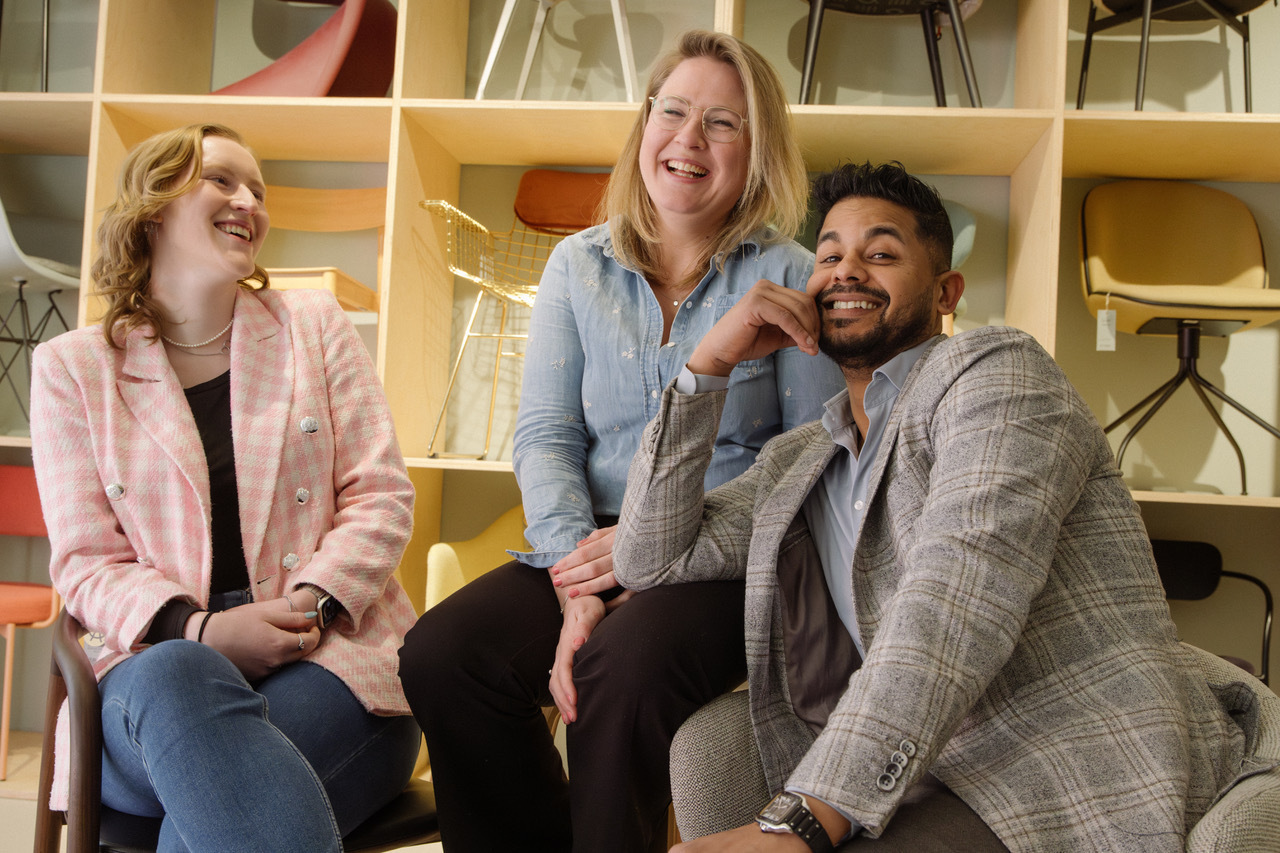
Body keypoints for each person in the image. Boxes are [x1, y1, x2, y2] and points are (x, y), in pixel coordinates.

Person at [612, 161, 1262, 852]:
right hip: (916, 777)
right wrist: (707, 365)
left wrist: (801, 819)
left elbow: (955, 598)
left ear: (946, 290)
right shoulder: (801, 460)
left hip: (1053, 766)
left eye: (881, 253)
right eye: (829, 254)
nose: (846, 270)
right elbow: (650, 555)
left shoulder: (997, 374)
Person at [397, 30, 844, 853]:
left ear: (760, 153)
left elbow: (806, 466)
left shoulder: (788, 275)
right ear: (644, 125)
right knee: (441, 654)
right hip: (588, 544)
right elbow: (545, 435)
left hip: (720, 564)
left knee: (621, 667)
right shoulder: (576, 265)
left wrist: (661, 558)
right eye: (672, 112)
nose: (688, 139)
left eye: (722, 123)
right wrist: (578, 584)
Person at [29, 123, 420, 853]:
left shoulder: (314, 325)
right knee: (182, 680)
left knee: (206, 815)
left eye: (259, 190)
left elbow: (381, 494)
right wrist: (199, 631)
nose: (249, 200)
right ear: (152, 208)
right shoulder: (71, 370)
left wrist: (304, 606)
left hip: (326, 651)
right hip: (153, 669)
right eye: (222, 180)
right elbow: (85, 559)